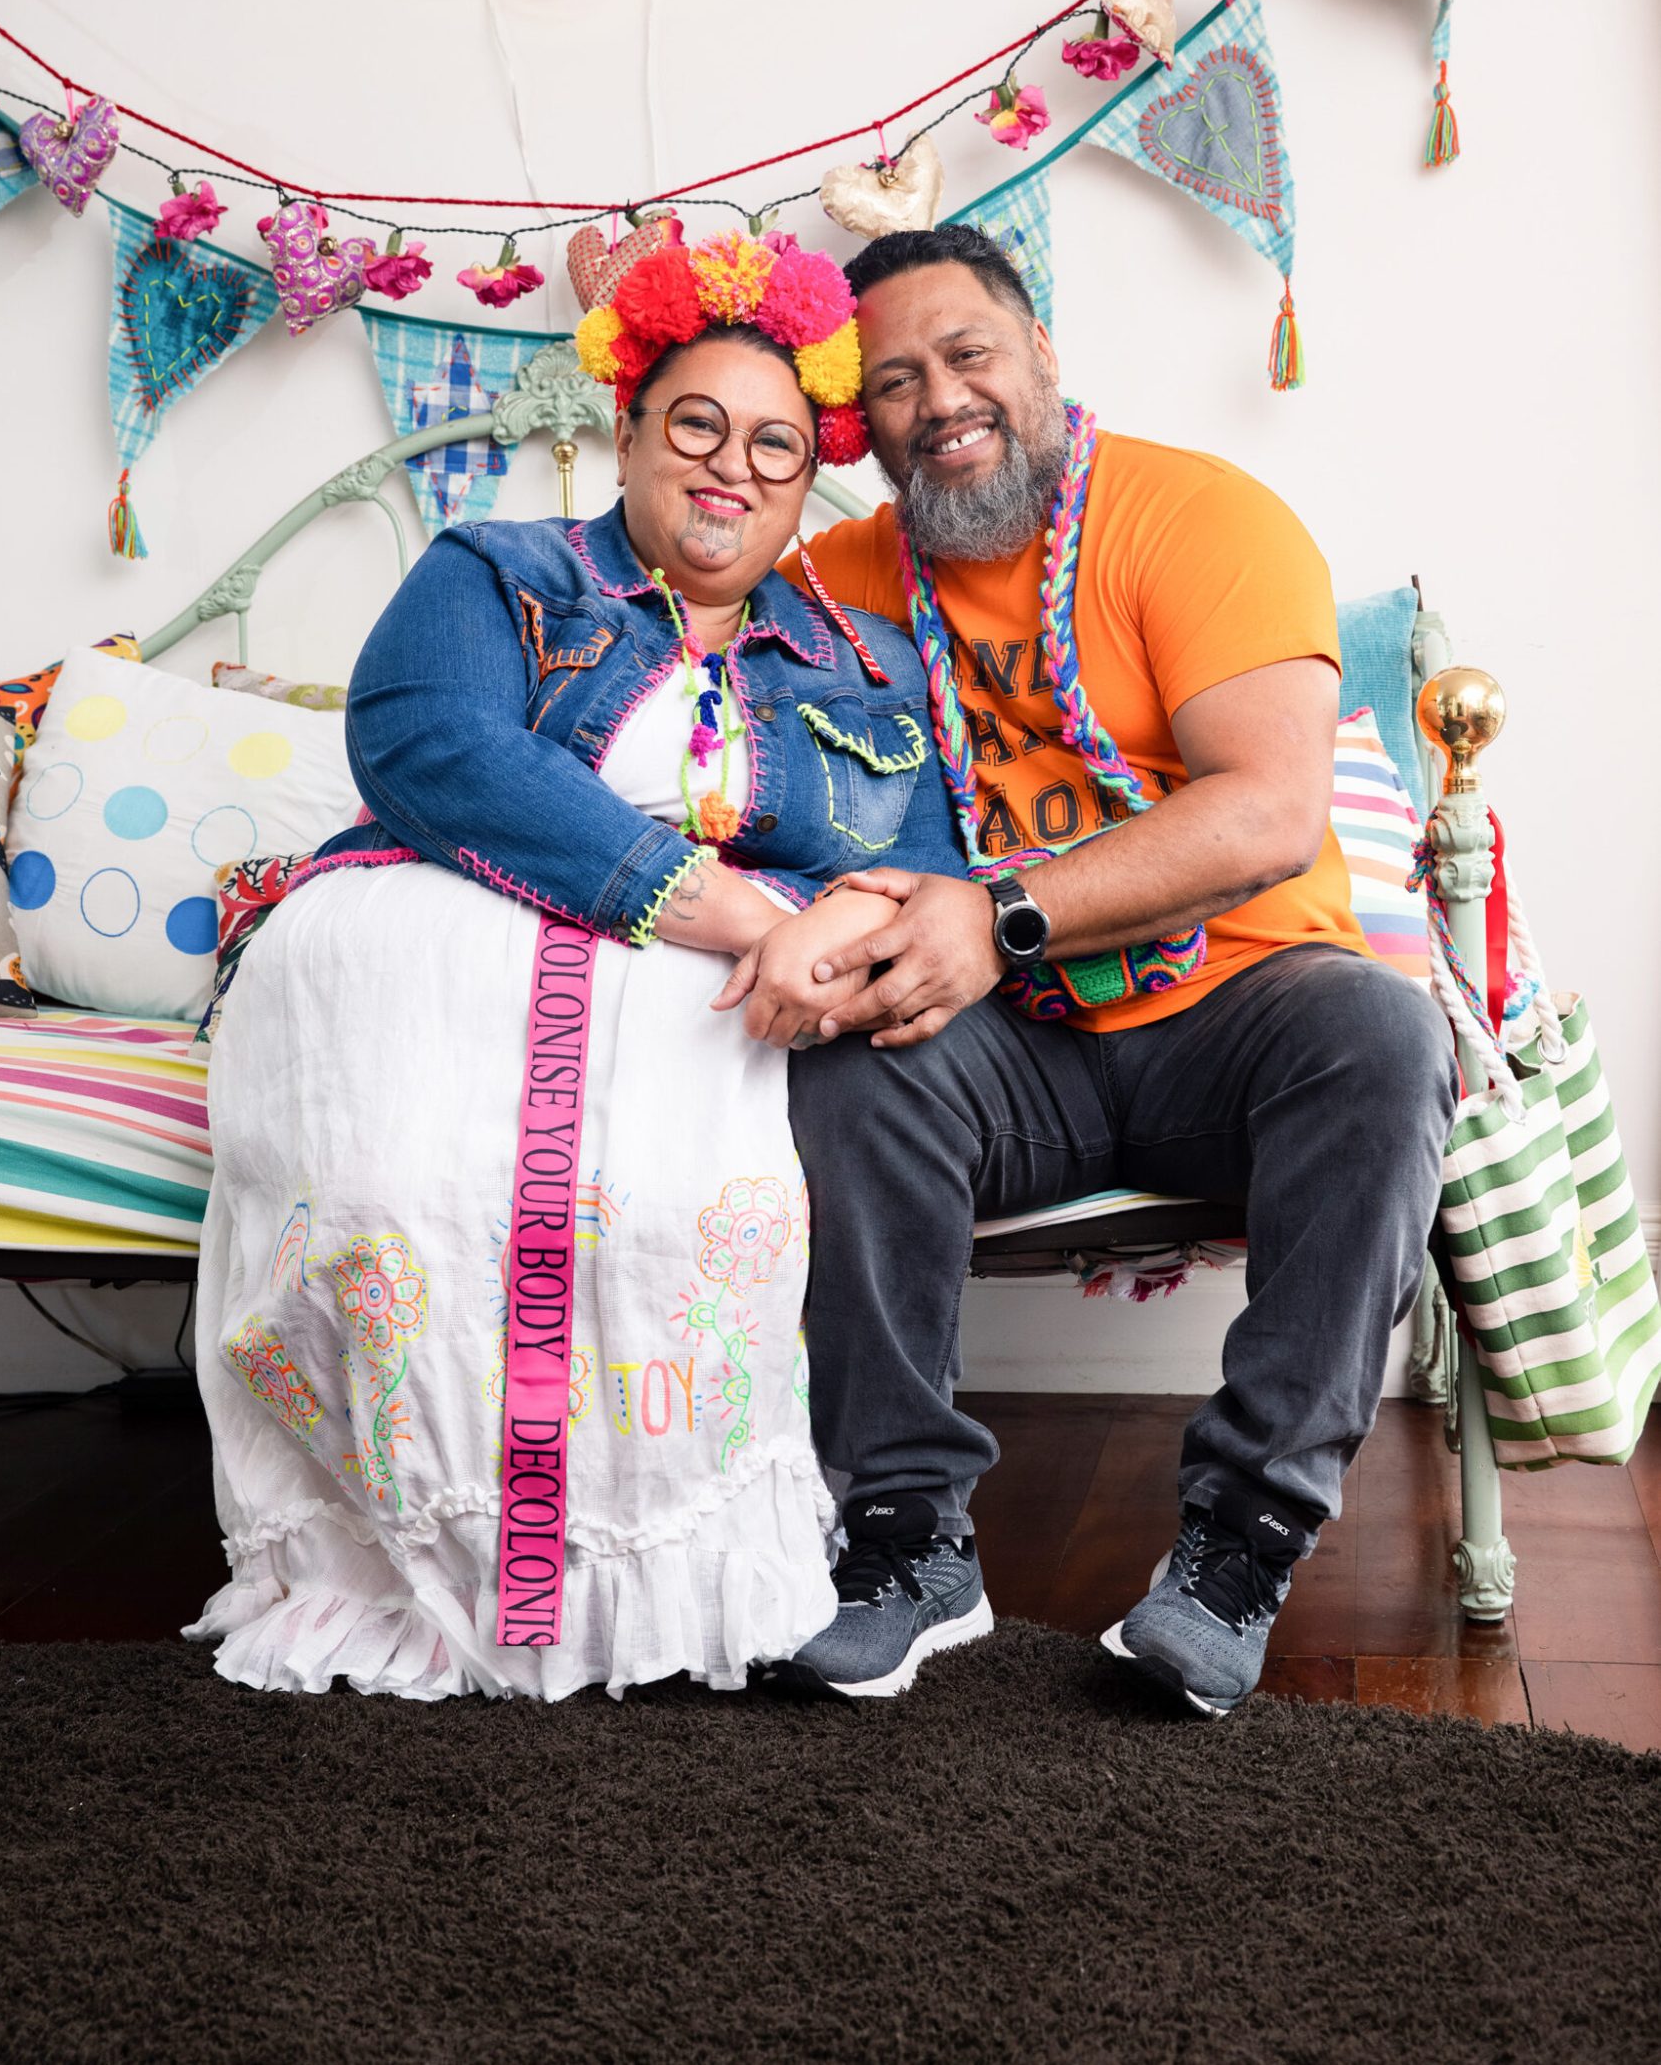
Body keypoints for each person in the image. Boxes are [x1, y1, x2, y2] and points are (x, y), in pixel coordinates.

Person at [186, 228, 967, 1703]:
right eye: (697, 427)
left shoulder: (868, 665)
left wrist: (827, 938)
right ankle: (418, 1573)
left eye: (778, 449)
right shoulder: (497, 569)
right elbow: (427, 747)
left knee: (692, 1214)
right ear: (625, 434)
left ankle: (642, 1589)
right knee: (396, 1199)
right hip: (443, 957)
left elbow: (919, 871)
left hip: (716, 1016)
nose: (732, 468)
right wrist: (737, 910)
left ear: (810, 488)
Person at [723, 222, 1459, 1716]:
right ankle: (905, 1540)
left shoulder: (1199, 517)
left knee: (1386, 1040)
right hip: (1015, 1052)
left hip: (1238, 1009)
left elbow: (1266, 813)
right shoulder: (835, 581)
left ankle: (1241, 1544)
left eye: (968, 354)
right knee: (848, 1075)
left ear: (1044, 356)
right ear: (855, 427)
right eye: (894, 384)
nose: (938, 401)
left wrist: (990, 916)